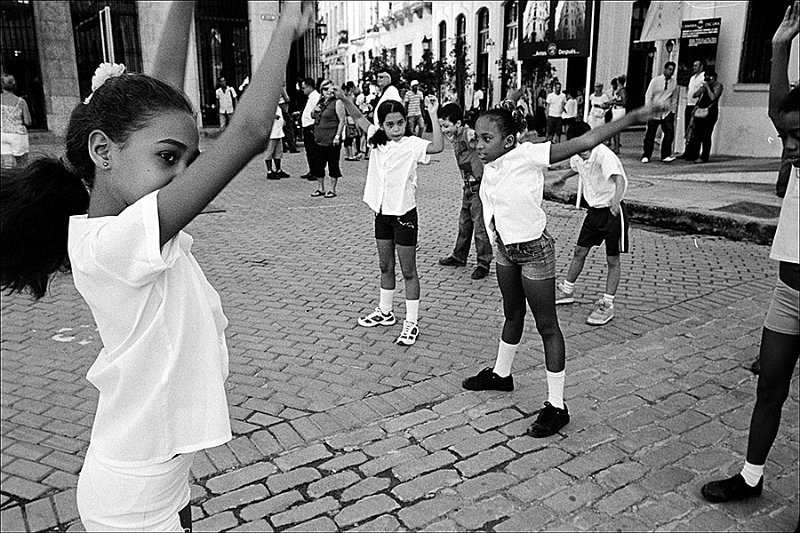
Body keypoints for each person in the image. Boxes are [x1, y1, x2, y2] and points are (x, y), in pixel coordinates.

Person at [0, 2, 313, 531]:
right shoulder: (113, 243)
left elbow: (160, 92)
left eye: (188, 160)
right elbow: (250, 132)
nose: (183, 175)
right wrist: (285, 26)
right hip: (132, 501)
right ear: (102, 151)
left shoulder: (122, 222)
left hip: (159, 478)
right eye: (169, 158)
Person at [460, 96, 667, 439]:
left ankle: (557, 406)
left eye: (486, 138)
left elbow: (585, 141)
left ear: (508, 141)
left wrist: (637, 115)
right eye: (476, 137)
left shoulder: (526, 155)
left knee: (547, 326)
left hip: (533, 252)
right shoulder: (491, 165)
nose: (478, 144)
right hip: (504, 251)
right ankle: (501, 374)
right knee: (511, 314)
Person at [701, 2, 799, 517]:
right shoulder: (797, 166)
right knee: (770, 386)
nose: (791, 146)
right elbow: (779, 108)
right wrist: (779, 46)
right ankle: (751, 475)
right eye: (788, 139)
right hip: (789, 294)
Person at [334, 88, 443, 346]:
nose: (396, 128)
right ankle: (385, 312)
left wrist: (433, 114)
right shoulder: (376, 138)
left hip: (404, 213)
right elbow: (359, 117)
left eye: (400, 122)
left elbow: (438, 146)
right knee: (385, 266)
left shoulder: (412, 144)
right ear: (382, 125)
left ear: (406, 122)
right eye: (390, 124)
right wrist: (343, 97)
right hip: (381, 213)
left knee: (408, 271)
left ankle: (412, 322)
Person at [554, 121, 629, 326]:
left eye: (587, 146)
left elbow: (619, 179)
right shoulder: (578, 156)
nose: (584, 151)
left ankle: (607, 304)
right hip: (593, 213)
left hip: (613, 212)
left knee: (612, 260)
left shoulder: (604, 155)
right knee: (580, 251)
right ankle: (567, 291)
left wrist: (615, 200)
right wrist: (561, 177)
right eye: (580, 147)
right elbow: (575, 168)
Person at [437, 102, 492, 280]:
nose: (444, 130)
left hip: (478, 187)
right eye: (441, 126)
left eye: (446, 126)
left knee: (480, 227)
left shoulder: (468, 134)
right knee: (464, 223)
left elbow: (481, 142)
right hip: (467, 187)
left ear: (458, 124)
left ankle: (483, 263)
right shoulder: (456, 137)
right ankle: (459, 256)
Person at [311, 80, 345, 198]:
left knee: (333, 163)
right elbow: (313, 116)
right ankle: (320, 188)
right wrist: (315, 110)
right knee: (319, 164)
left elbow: (342, 120)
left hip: (331, 138)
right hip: (319, 138)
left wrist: (337, 136)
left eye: (331, 89)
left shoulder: (337, 102)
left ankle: (332, 189)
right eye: (325, 89)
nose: (328, 92)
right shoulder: (320, 102)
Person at [641, 61, 679, 163]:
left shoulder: (673, 82)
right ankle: (646, 155)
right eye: (670, 69)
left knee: (669, 134)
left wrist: (673, 111)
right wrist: (648, 109)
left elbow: (674, 97)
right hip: (654, 111)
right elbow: (649, 95)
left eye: (673, 70)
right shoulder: (656, 80)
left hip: (666, 112)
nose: (671, 72)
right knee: (650, 134)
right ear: (665, 69)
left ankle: (665, 155)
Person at [683, 68, 723, 163]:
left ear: (714, 78)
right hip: (700, 112)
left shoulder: (718, 86)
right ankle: (694, 154)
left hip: (710, 113)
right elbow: (694, 95)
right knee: (697, 134)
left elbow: (713, 97)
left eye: (709, 78)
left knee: (706, 135)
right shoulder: (705, 86)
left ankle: (704, 156)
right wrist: (701, 89)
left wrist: (708, 88)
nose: (708, 80)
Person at [1, 73, 31, 168]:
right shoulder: (21, 102)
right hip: (18, 135)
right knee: (21, 164)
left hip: (3, 133)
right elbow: (27, 121)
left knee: (6, 165)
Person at [299, 77, 321, 180]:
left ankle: (316, 171)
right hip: (307, 125)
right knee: (309, 150)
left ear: (309, 87)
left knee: (313, 150)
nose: (303, 90)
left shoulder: (315, 97)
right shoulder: (311, 97)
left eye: (304, 88)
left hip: (311, 126)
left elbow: (316, 112)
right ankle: (312, 170)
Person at [682, 60, 705, 152]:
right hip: (689, 104)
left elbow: (702, 90)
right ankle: (687, 150)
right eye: (693, 65)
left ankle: (693, 152)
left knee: (694, 130)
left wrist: (697, 95)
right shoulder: (692, 78)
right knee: (688, 129)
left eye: (696, 66)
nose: (694, 67)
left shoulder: (703, 77)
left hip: (696, 106)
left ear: (701, 67)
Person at [265, 104, 288, 180]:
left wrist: (282, 120)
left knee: (278, 152)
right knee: (269, 152)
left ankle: (278, 169)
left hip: (278, 132)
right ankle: (269, 171)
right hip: (271, 133)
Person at [342, 82, 362, 161]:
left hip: (346, 118)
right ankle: (351, 155)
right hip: (351, 118)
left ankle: (348, 154)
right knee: (352, 136)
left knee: (348, 136)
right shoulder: (351, 97)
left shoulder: (344, 97)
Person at [608, 75, 627, 153]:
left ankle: (617, 147)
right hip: (615, 110)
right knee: (614, 130)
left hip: (619, 110)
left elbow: (624, 102)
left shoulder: (622, 91)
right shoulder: (619, 90)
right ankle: (615, 146)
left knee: (616, 130)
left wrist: (613, 102)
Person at [279, 86, 299, 153]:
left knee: (281, 128)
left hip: (278, 110)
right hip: (284, 109)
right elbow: (287, 99)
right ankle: (292, 147)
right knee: (289, 129)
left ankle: (283, 146)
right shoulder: (280, 88)